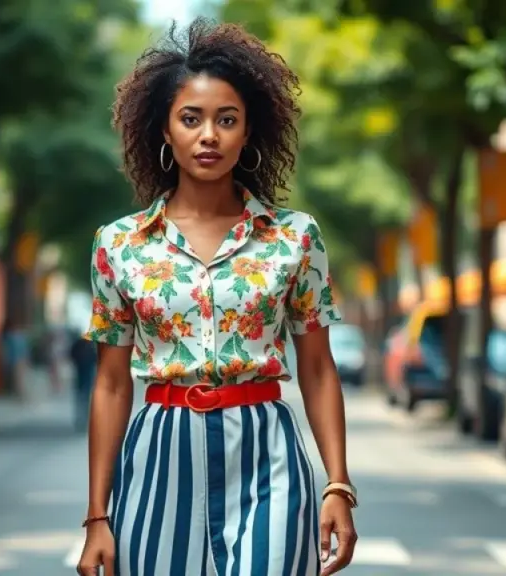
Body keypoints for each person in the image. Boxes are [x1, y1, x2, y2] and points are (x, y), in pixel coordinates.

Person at [76, 19, 357, 576]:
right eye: (191, 118)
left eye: (227, 120)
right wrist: (96, 517)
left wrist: (339, 485)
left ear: (248, 132)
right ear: (165, 130)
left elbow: (319, 369)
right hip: (160, 453)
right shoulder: (119, 245)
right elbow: (110, 384)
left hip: (267, 453)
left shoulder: (296, 237)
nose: (209, 135)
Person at [68, 328, 98, 432]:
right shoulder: (90, 345)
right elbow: (96, 358)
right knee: (85, 399)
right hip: (86, 376)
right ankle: (84, 420)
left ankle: (82, 420)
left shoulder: (79, 344)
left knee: (81, 399)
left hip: (81, 376)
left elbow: (71, 355)